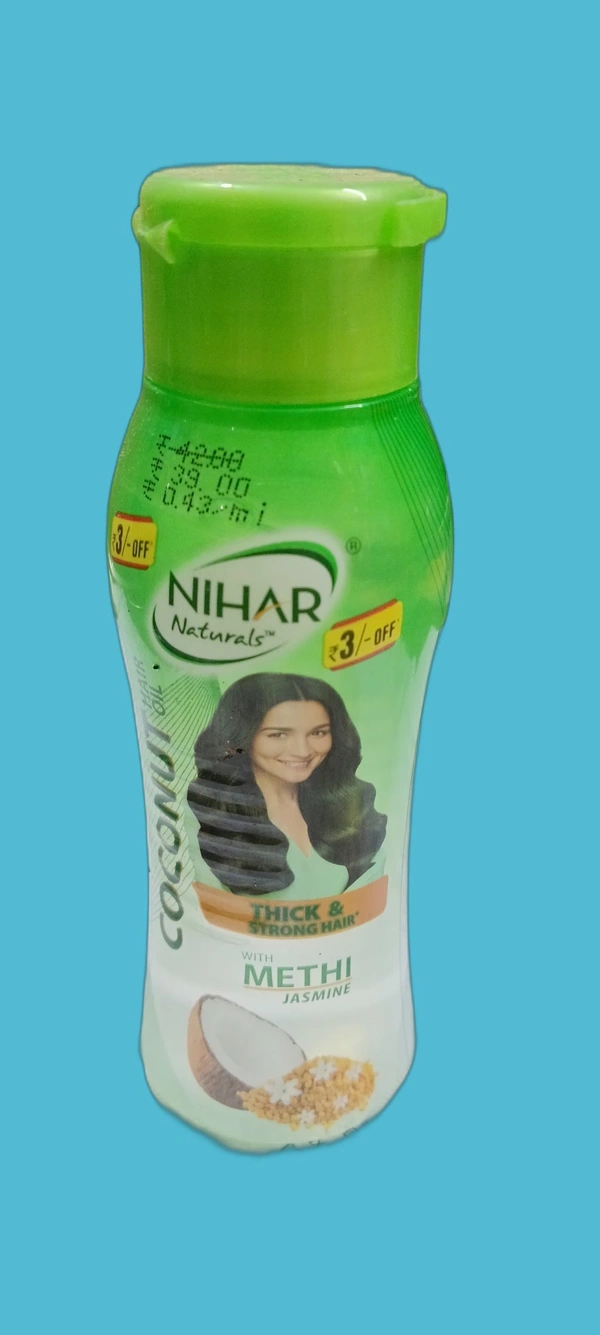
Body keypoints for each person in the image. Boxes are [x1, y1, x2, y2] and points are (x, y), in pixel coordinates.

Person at [187, 673, 386, 898]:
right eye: (279, 734)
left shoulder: (349, 801)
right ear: (239, 737)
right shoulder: (206, 812)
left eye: (318, 732)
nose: (302, 751)